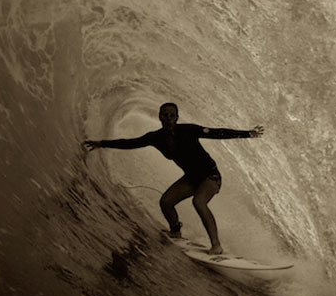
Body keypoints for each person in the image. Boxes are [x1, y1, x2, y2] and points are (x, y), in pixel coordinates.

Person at [83, 102, 264, 255]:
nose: (169, 118)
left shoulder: (189, 130)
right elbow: (131, 143)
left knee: (199, 202)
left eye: (172, 115)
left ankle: (216, 245)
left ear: (177, 117)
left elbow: (217, 133)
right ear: (160, 117)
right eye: (165, 115)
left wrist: (247, 133)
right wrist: (102, 143)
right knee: (166, 202)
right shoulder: (156, 137)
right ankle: (175, 232)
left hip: (210, 175)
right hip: (192, 178)